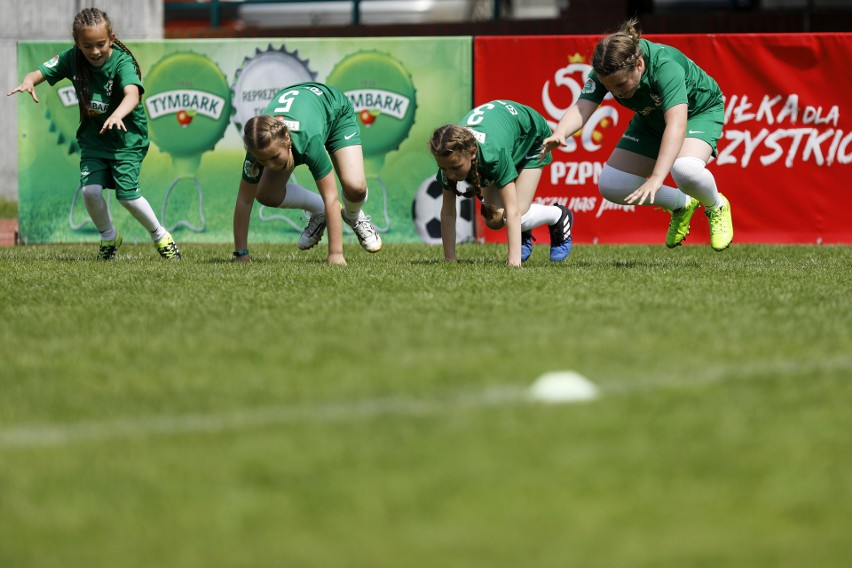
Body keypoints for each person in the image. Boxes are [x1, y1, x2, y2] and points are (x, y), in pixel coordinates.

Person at [541, 18, 734, 251]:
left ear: (639, 64)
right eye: (610, 87)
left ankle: (716, 205)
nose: (615, 92)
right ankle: (681, 204)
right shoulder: (607, 69)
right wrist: (560, 133)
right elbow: (583, 106)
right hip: (651, 118)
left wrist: (657, 177)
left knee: (685, 171)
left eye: (620, 85)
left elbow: (676, 126)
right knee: (612, 184)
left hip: (697, 112)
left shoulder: (665, 66)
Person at [7, 7, 181, 260]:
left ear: (112, 37)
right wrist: (28, 81)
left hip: (126, 139)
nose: (95, 51)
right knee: (90, 191)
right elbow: (39, 72)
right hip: (94, 138)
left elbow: (132, 93)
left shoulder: (123, 61)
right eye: (87, 45)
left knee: (128, 197)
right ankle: (109, 237)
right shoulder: (72, 58)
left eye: (101, 44)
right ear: (77, 43)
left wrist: (117, 114)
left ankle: (161, 236)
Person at [233, 82, 382, 265]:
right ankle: (319, 211)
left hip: (335, 114)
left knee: (355, 188)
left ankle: (353, 215)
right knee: (265, 194)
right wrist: (241, 253)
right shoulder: (257, 148)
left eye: (273, 157)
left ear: (287, 139)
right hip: (305, 117)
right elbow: (244, 200)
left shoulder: (309, 141)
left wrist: (335, 254)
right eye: (263, 160)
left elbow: (332, 198)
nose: (269, 166)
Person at [429, 100, 574, 267]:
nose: (450, 174)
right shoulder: (449, 158)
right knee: (494, 219)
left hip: (531, 138)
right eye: (444, 169)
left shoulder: (493, 155)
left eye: (455, 168)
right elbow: (448, 212)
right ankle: (522, 233)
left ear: (472, 153)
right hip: (505, 137)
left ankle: (558, 215)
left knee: (519, 215)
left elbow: (513, 212)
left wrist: (513, 265)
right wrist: (450, 261)